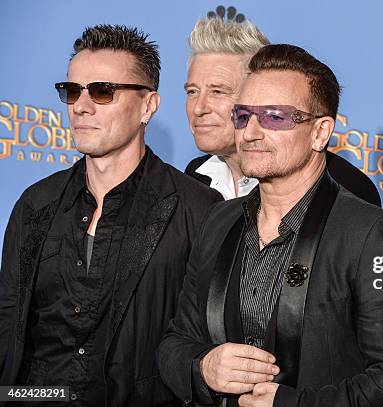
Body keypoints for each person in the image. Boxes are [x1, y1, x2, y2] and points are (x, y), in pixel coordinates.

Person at [157, 44, 383, 407]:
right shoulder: (219, 220)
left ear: (321, 133)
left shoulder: (375, 233)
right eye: (243, 115)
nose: (251, 132)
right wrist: (203, 368)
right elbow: (175, 341)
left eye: (275, 116)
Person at [0, 25, 222, 406]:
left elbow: (202, 341)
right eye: (71, 92)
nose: (81, 106)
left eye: (103, 92)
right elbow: (9, 326)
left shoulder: (200, 210)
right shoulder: (35, 204)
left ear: (148, 106)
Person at [183, 17, 381, 206]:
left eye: (218, 91)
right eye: (192, 91)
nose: (199, 108)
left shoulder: (347, 190)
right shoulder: (194, 176)